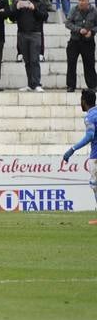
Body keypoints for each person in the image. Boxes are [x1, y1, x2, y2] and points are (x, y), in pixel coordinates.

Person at [60, 89, 97, 227]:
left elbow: (90, 136)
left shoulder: (90, 117)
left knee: (95, 186)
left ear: (84, 101)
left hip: (96, 157)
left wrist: (72, 149)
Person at [12, 0, 49, 92]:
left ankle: (37, 83)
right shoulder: (18, 0)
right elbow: (12, 17)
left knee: (34, 60)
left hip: (35, 34)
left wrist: (34, 9)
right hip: (22, 33)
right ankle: (30, 84)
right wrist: (16, 8)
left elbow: (44, 16)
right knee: (27, 61)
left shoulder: (39, 1)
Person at [65, 0, 97, 93]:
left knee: (89, 64)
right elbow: (68, 23)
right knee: (71, 63)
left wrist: (92, 32)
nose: (80, 3)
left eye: (83, 1)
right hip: (74, 41)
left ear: (88, 1)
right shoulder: (73, 10)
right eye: (79, 0)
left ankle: (93, 86)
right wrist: (79, 30)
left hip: (88, 42)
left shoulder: (94, 11)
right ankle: (70, 86)